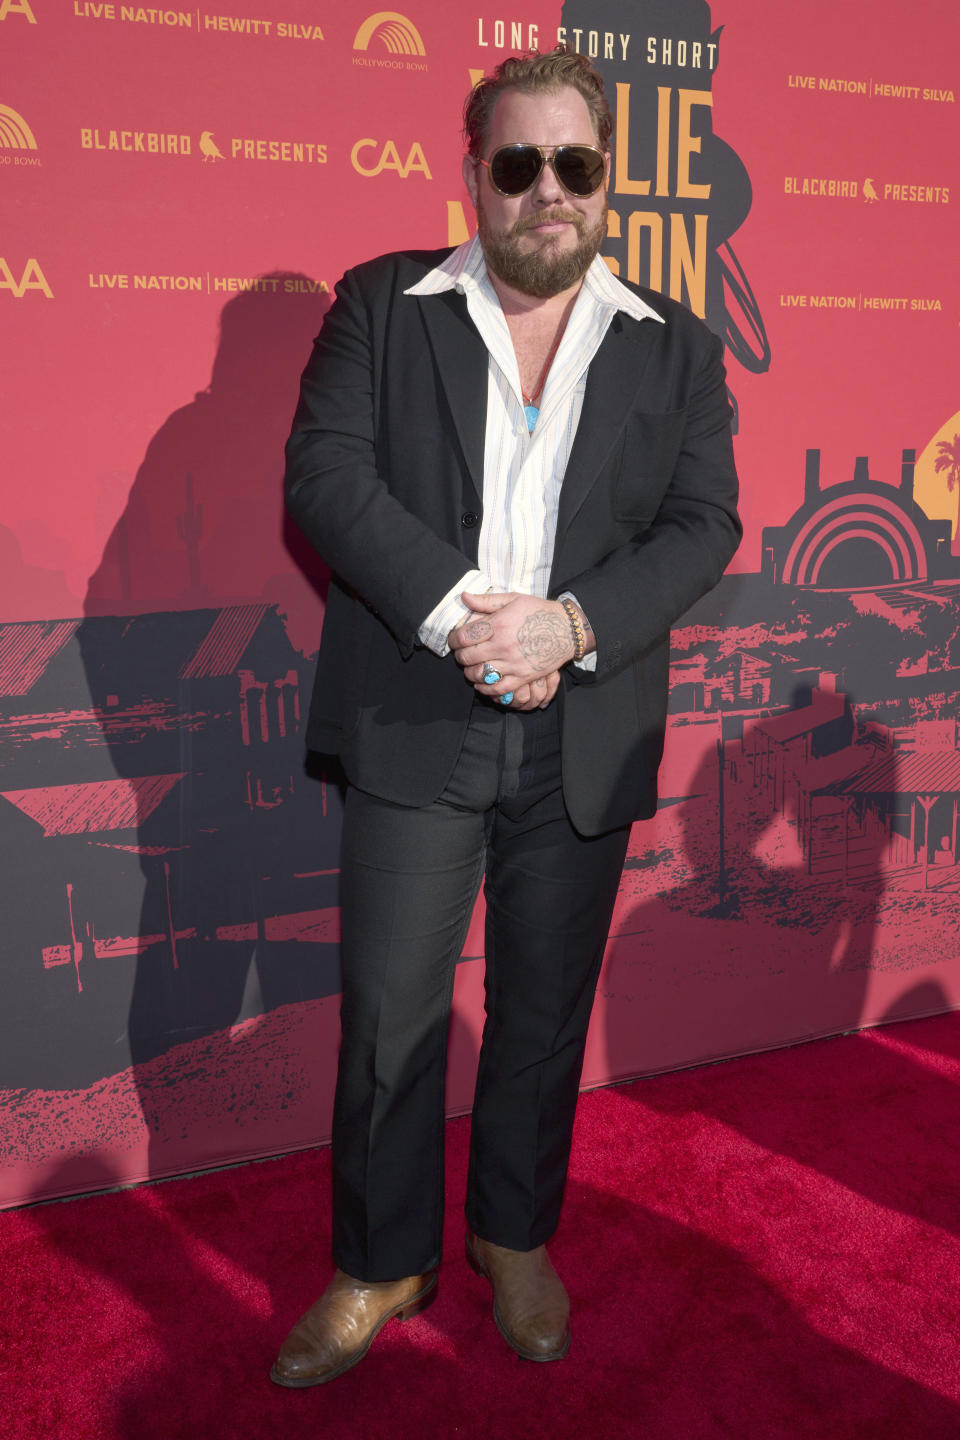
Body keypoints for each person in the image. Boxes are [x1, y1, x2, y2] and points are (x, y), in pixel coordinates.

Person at [271, 46, 740, 1387]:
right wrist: (475, 615)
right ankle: (380, 1258)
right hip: (419, 713)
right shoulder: (381, 305)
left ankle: (514, 1239)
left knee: (542, 1010)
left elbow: (705, 523)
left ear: (608, 185)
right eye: (518, 162)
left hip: (581, 728)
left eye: (575, 165)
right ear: (473, 172)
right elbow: (327, 477)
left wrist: (568, 628)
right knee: (390, 1013)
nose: (548, 188)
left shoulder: (674, 343)